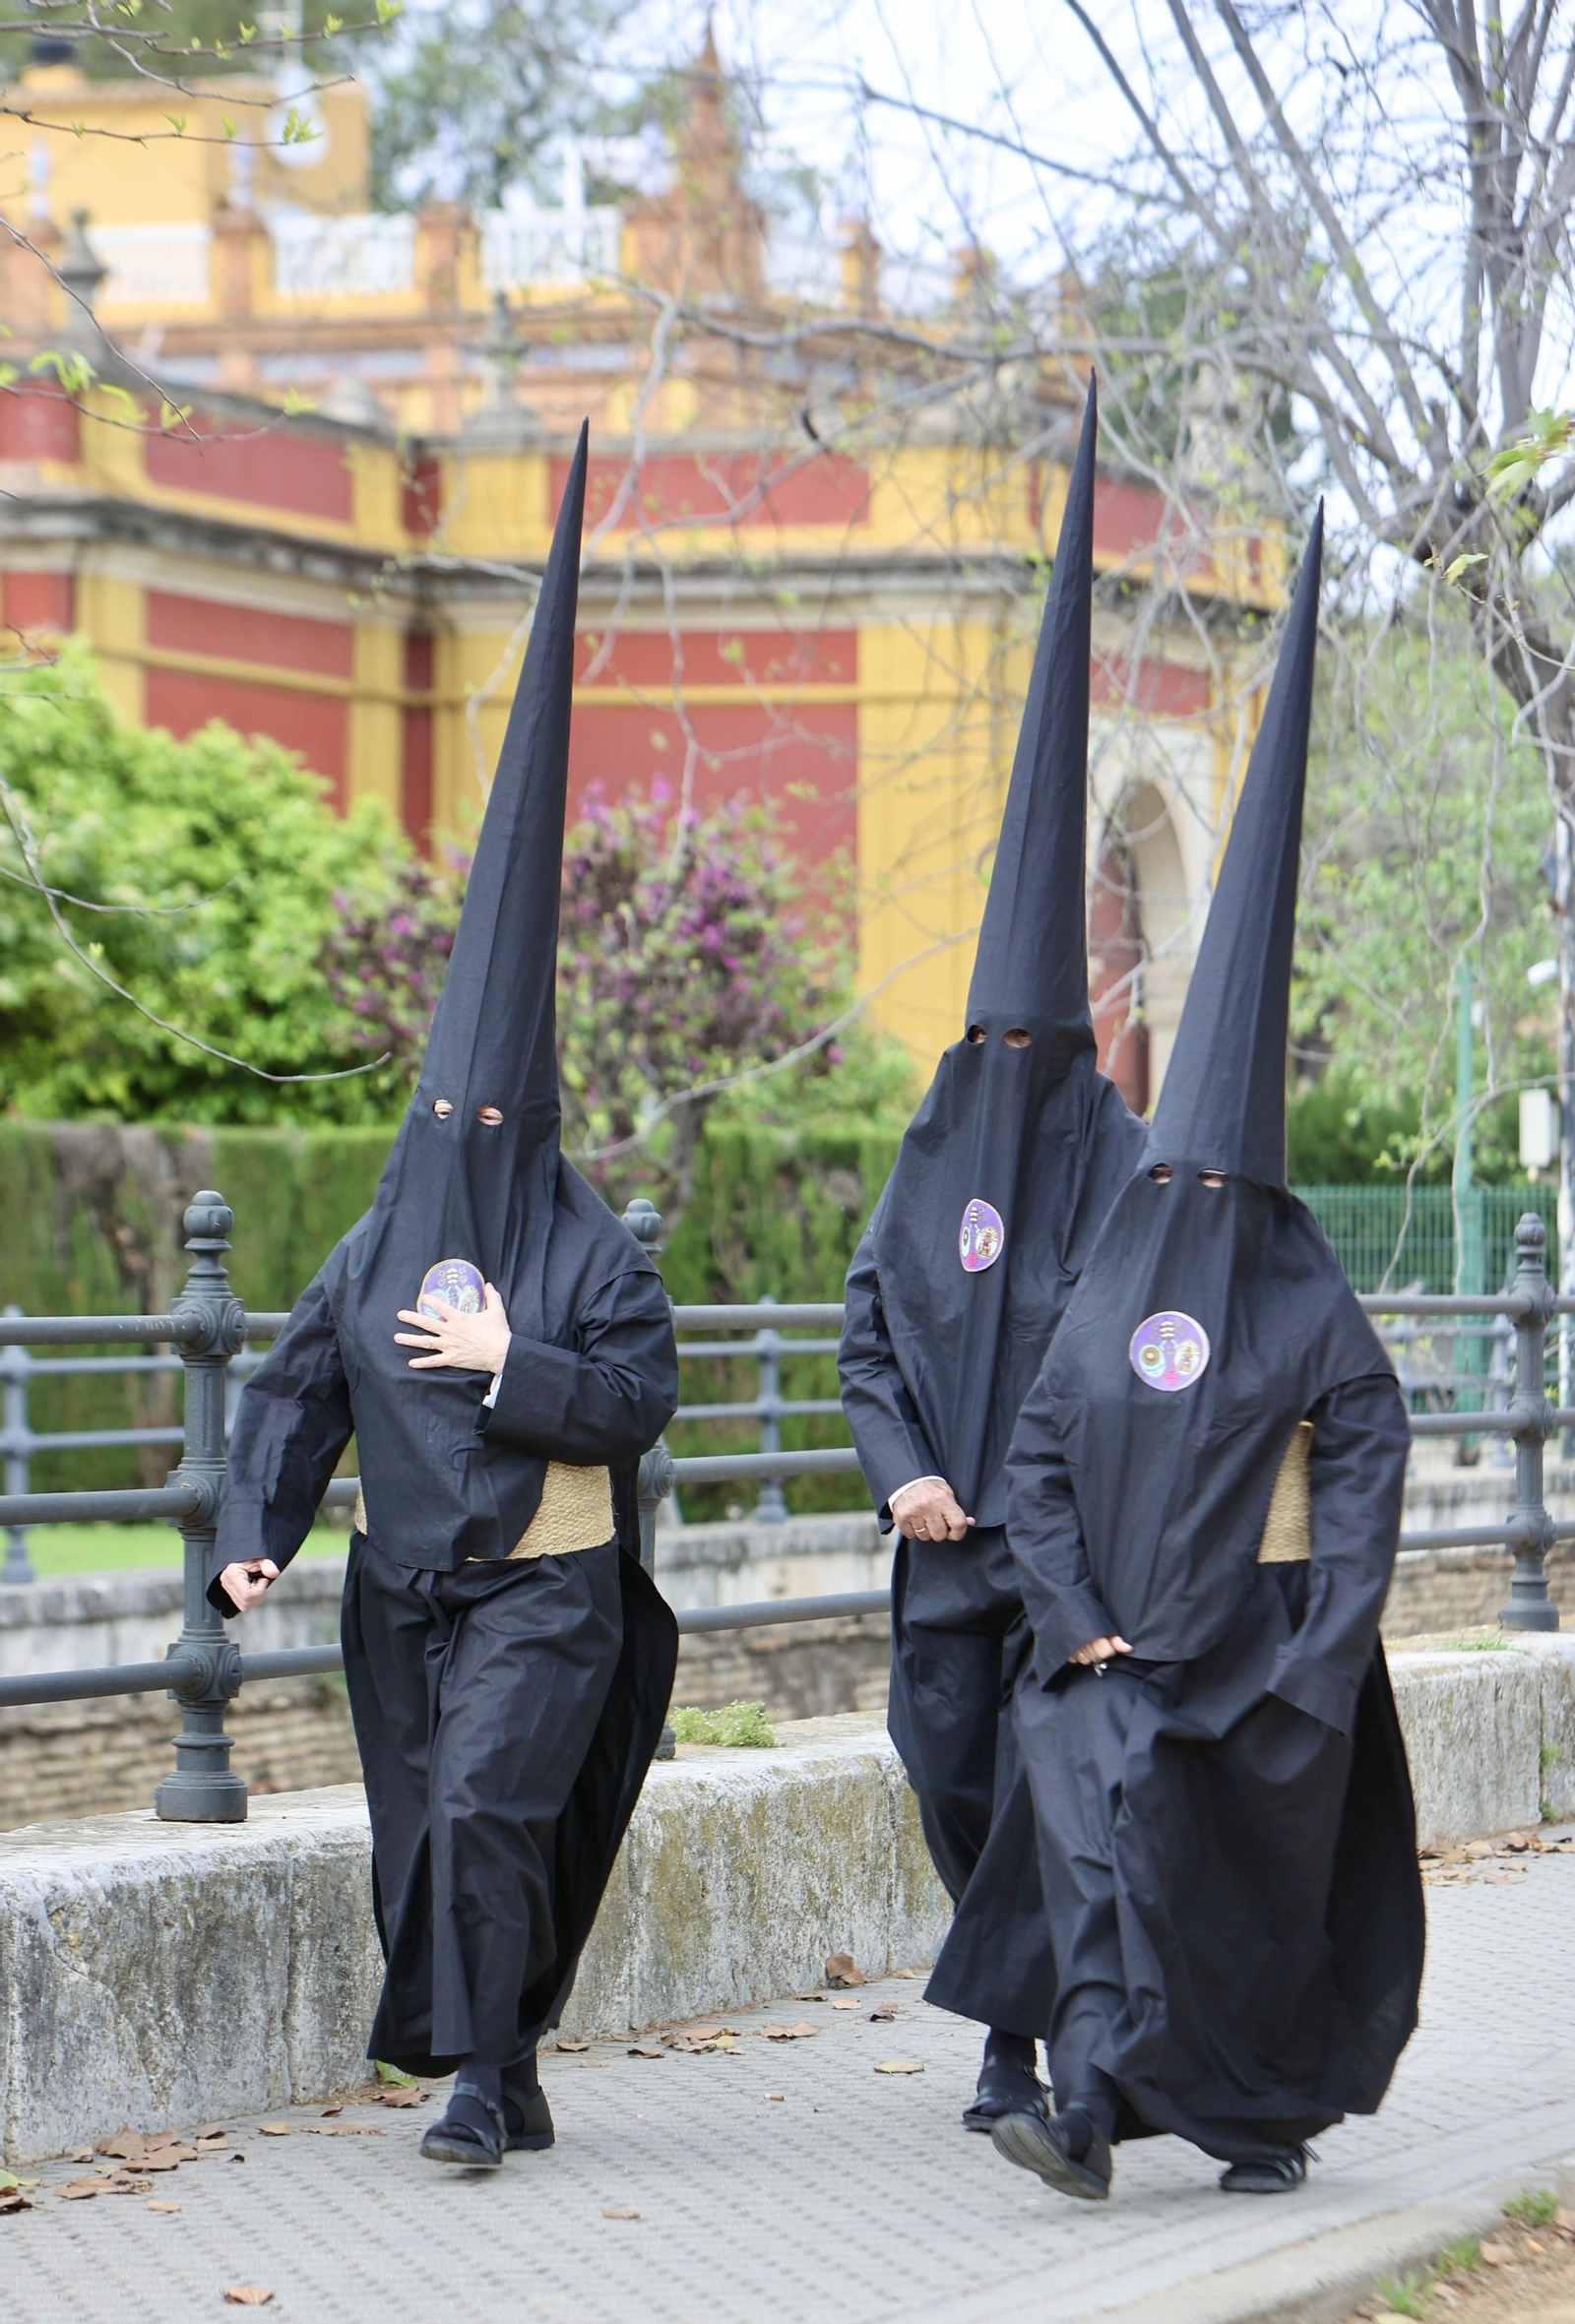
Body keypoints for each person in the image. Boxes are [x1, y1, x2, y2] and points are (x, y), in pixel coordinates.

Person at [210, 426, 680, 2172]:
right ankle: (515, 2047)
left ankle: (477, 2082)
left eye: (493, 1122)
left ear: (533, 1122)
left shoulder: (590, 1249)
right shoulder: (382, 1225)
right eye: (446, 1117)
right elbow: (296, 1379)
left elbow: (641, 1399)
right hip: (398, 1591)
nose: (465, 1139)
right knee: (426, 1833)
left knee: (491, 1799)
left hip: (547, 1589)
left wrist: (513, 1359)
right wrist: (253, 1530)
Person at [996, 507, 1423, 2204]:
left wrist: (1320, 1651)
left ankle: (1251, 2116)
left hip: (1261, 1662)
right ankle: (1092, 2116)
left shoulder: (1308, 1295)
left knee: (1233, 1904)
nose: (1184, 1200)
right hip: (1113, 1653)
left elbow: (1370, 1459)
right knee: (1110, 1858)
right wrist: (1070, 1606)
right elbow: (1039, 1450)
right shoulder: (1111, 1268)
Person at [838, 381, 1148, 2134]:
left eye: (1040, 1053)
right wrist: (907, 1478)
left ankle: (1018, 2041)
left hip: (1071, 1559)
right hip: (945, 1550)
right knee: (947, 1764)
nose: (1014, 1081)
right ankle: (1008, 1994)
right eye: (995, 1051)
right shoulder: (935, 1140)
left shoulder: (1118, 1159)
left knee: (1056, 1782)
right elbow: (870, 1329)